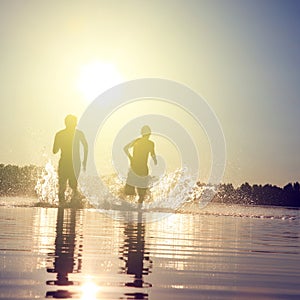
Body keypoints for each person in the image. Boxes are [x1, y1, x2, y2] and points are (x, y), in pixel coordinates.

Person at [53, 114, 88, 206]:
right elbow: (85, 146)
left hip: (69, 162)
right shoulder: (79, 133)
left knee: (65, 185)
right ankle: (71, 205)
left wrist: (84, 160)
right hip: (73, 162)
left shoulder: (60, 134)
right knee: (70, 185)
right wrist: (84, 160)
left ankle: (66, 205)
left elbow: (54, 150)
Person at [123, 125, 157, 203]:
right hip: (142, 170)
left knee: (129, 193)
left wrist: (131, 158)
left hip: (135, 168)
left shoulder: (137, 141)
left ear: (142, 133)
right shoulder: (150, 143)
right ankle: (139, 209)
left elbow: (125, 148)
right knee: (141, 195)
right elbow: (153, 154)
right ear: (149, 133)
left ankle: (125, 207)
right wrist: (155, 160)